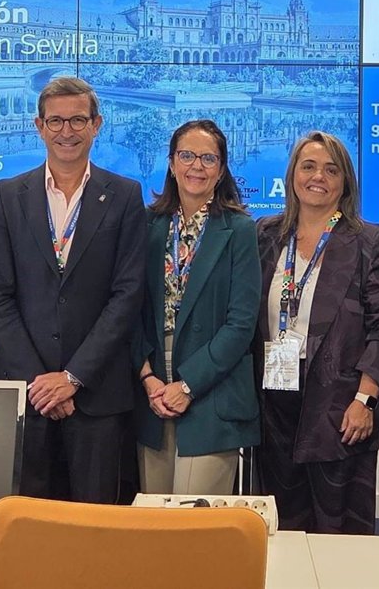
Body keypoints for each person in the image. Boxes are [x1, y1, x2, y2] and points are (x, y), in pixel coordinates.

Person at [0, 76, 145, 503]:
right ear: (39, 126)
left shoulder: (125, 195)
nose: (66, 132)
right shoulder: (7, 195)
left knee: (96, 529)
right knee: (27, 527)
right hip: (27, 395)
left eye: (77, 120)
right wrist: (41, 383)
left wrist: (72, 378)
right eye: (55, 121)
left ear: (97, 125)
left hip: (96, 396)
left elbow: (126, 296)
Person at [253, 131, 379, 533]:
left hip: (341, 408)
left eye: (331, 170)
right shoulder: (265, 235)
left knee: (340, 533)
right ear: (292, 175)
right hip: (274, 405)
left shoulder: (369, 241)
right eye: (309, 166)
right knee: (281, 530)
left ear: (345, 182)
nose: (318, 177)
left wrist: (365, 400)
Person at [134, 120, 260, 496]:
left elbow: (241, 323)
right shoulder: (146, 225)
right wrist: (147, 377)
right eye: (187, 155)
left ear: (221, 170)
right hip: (152, 389)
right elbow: (127, 308)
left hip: (212, 388)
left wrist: (188, 385)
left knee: (192, 520)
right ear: (172, 163)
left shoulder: (239, 230)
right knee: (153, 517)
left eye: (208, 158)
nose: (197, 166)